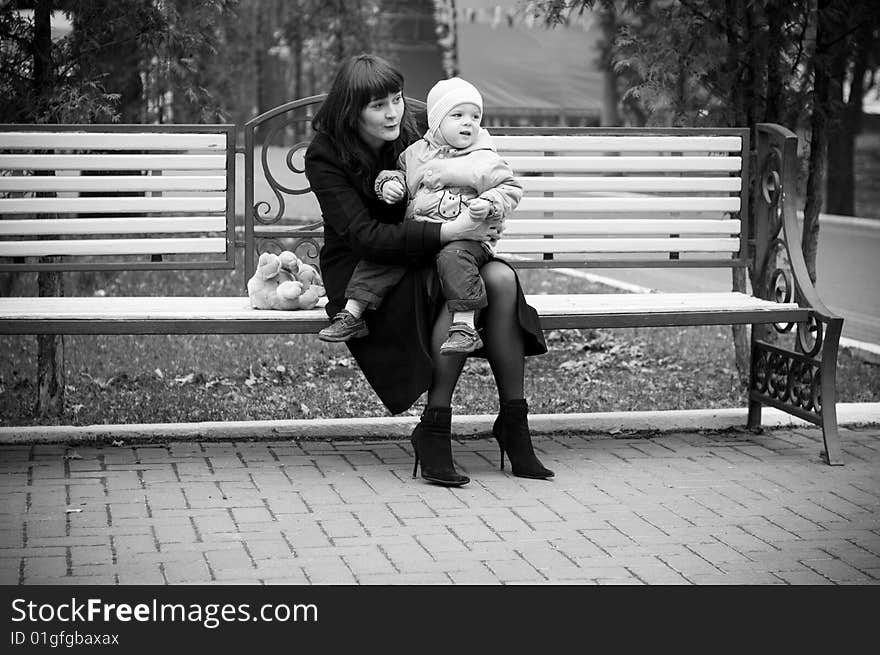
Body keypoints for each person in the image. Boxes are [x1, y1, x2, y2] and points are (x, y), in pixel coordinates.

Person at [304, 54, 553, 486]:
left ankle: (514, 421)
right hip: (369, 269)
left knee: (500, 279)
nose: (393, 112)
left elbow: (480, 154)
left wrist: (485, 206)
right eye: (378, 105)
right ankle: (435, 425)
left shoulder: (423, 124)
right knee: (455, 288)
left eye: (397, 99)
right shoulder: (326, 154)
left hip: (439, 249)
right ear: (352, 110)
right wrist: (451, 230)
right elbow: (365, 237)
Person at [318, 77, 522, 356]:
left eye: (476, 116)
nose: (468, 123)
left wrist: (489, 204)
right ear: (437, 122)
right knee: (383, 259)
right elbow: (399, 173)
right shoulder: (416, 153)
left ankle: (464, 327)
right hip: (425, 234)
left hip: (467, 240)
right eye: (458, 115)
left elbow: (509, 188)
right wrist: (390, 185)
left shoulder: (484, 158)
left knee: (454, 260)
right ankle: (352, 314)